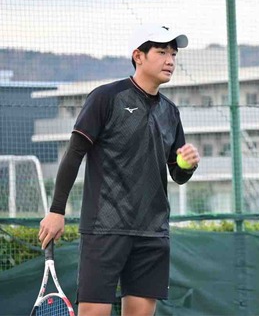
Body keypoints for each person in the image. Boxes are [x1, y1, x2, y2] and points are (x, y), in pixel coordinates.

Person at [38, 23, 200, 316]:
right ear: (138, 56)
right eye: (162, 52)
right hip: (104, 229)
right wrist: (56, 210)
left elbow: (177, 173)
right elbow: (75, 154)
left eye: (174, 54)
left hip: (152, 233)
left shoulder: (171, 112)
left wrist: (187, 166)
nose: (170, 60)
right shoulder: (105, 98)